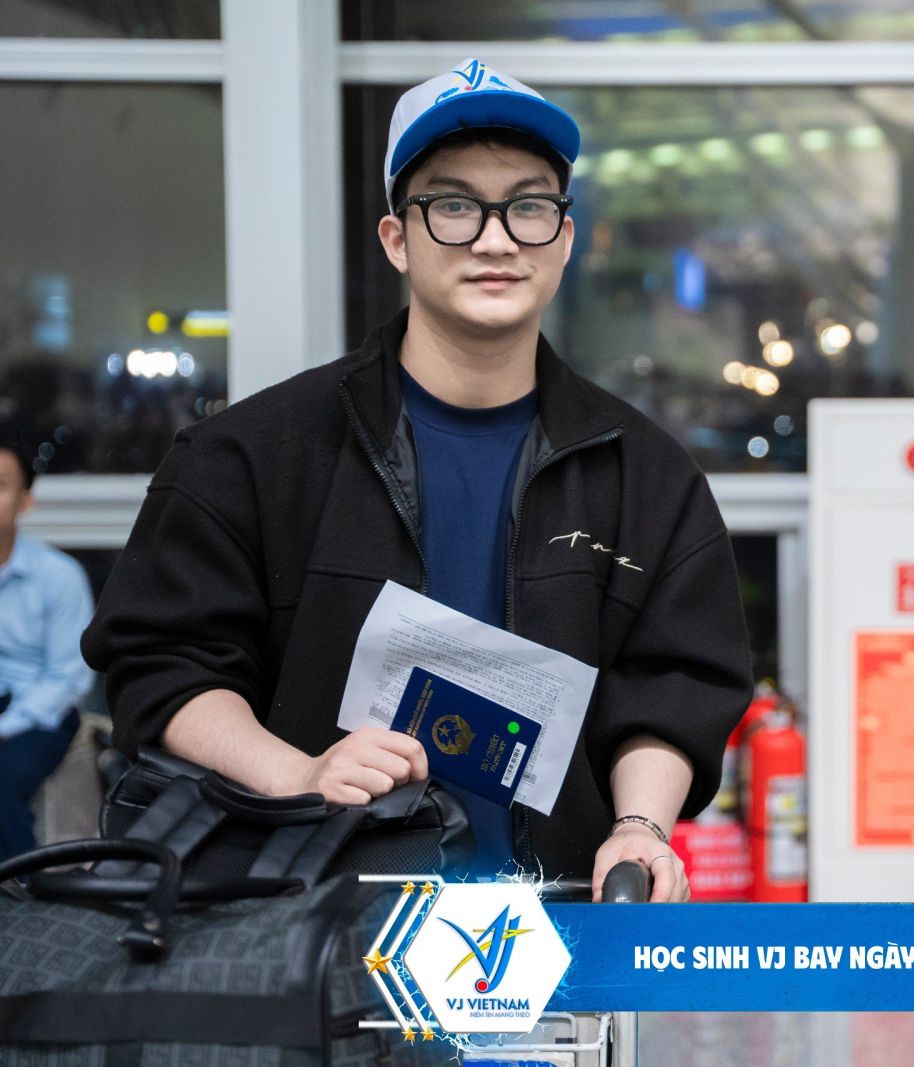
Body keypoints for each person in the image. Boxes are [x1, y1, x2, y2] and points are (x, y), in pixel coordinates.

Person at [82, 60, 753, 899]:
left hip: (561, 924)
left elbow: (674, 684)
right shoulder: (255, 454)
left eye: (529, 207)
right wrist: (298, 775)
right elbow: (160, 662)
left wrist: (640, 826)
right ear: (397, 238)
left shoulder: (644, 473)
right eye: (455, 206)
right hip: (316, 925)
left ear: (564, 239)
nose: (496, 240)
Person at [0, 431, 95, 861]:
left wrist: (6, 727)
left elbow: (67, 677)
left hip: (40, 713)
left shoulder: (58, 576)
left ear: (25, 502)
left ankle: (19, 891)